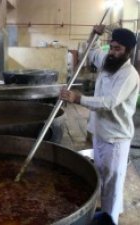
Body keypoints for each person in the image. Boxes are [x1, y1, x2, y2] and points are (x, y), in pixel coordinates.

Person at [60, 26, 139, 225]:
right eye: (111, 47)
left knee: (113, 182)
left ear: (128, 51)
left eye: (118, 49)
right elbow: (91, 51)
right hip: (100, 132)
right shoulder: (107, 62)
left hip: (116, 137)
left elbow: (108, 102)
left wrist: (79, 99)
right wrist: (94, 34)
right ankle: (107, 210)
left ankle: (109, 219)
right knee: (102, 176)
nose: (112, 52)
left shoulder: (129, 75)